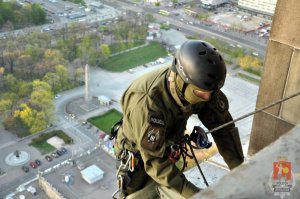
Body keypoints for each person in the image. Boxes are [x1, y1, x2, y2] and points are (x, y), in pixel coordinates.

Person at [113, 40, 244, 199]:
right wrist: (195, 195)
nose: (208, 98)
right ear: (182, 83)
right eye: (202, 94)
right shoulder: (149, 103)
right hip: (137, 153)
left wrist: (241, 172)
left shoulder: (202, 86)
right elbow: (155, 162)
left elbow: (223, 128)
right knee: (136, 194)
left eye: (211, 92)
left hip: (167, 143)